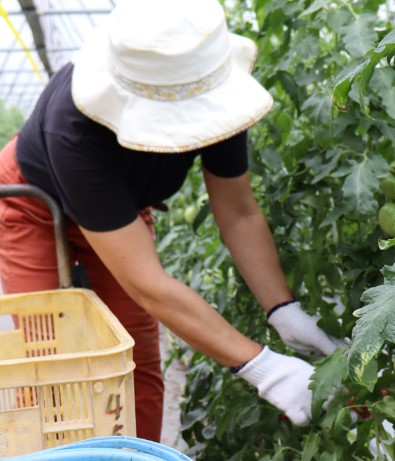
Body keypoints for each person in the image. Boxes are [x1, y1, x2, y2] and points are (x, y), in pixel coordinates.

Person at [0, 0, 345, 442]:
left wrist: (284, 310)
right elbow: (147, 283)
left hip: (122, 203)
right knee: (51, 360)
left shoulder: (209, 85)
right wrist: (262, 366)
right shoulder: (73, 128)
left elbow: (238, 212)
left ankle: (134, 454)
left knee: (132, 358)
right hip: (36, 205)